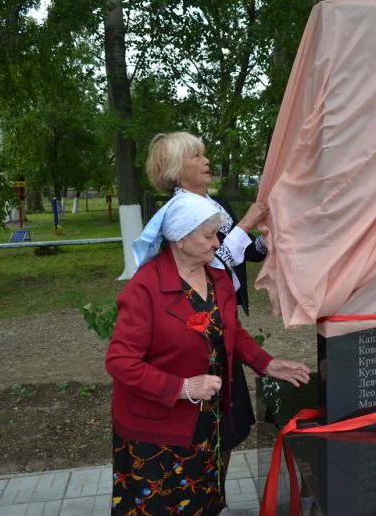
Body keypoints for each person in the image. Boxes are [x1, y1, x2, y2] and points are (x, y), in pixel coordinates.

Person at [106, 192, 310, 515]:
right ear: (181, 239)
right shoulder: (145, 287)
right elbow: (120, 362)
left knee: (201, 502)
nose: (218, 244)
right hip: (156, 433)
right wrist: (183, 387)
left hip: (205, 422)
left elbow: (231, 330)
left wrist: (266, 364)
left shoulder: (216, 278)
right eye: (209, 235)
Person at [145, 131, 267, 487]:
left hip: (221, 329)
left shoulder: (215, 205)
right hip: (195, 334)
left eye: (204, 154)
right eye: (196, 156)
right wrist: (245, 224)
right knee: (203, 427)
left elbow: (243, 253)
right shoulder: (175, 215)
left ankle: (217, 500)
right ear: (176, 172)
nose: (206, 160)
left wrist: (269, 239)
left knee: (225, 429)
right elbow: (214, 268)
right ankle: (202, 500)